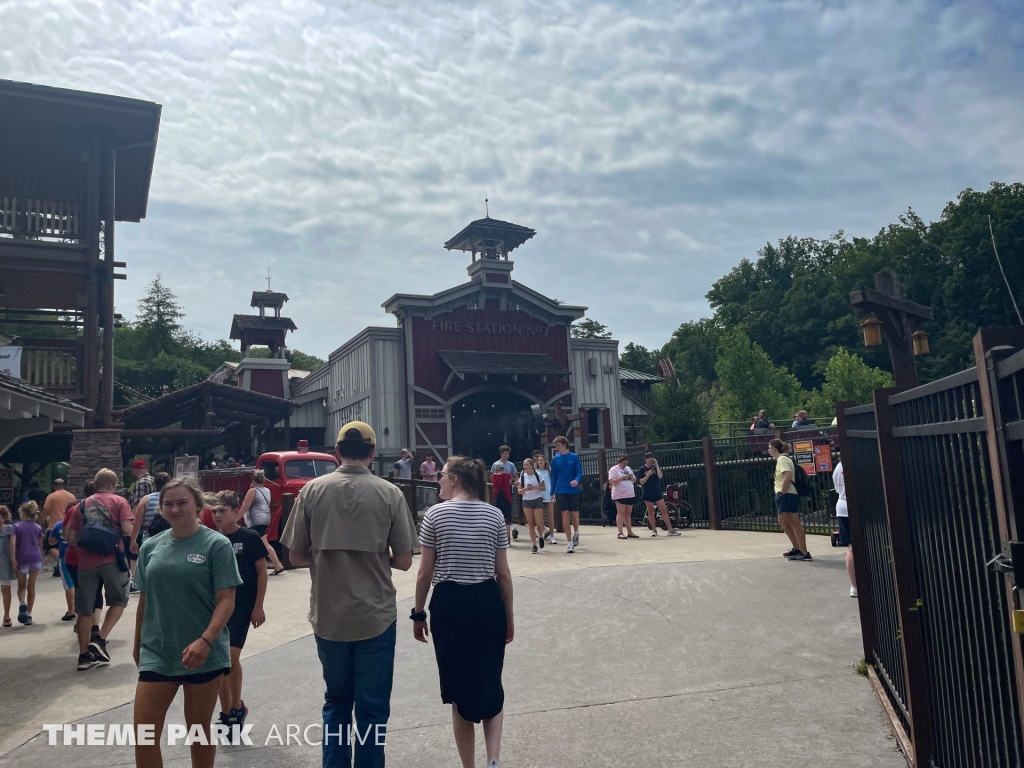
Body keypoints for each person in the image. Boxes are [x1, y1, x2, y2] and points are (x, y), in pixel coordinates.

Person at [281, 421, 417, 768]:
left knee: (337, 702)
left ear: (337, 452)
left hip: (329, 615)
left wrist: (329, 551)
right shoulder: (390, 493)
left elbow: (294, 556)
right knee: (372, 709)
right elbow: (403, 561)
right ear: (372, 453)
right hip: (376, 615)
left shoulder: (311, 491)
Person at [132, 478, 241, 768]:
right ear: (161, 509)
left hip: (203, 654)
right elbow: (145, 600)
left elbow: (227, 600)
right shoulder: (150, 547)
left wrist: (205, 640)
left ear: (197, 505)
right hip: (158, 651)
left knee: (198, 730)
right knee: (144, 734)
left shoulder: (216, 544)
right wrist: (137, 644)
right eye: (169, 504)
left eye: (182, 502)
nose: (175, 509)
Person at [413, 456, 513, 768]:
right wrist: (509, 616)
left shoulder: (435, 515)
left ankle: (469, 766)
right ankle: (493, 760)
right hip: (487, 601)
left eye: (441, 475)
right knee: (489, 682)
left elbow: (424, 574)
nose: (438, 480)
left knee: (459, 689)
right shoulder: (494, 515)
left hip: (450, 604)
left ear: (455, 478)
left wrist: (418, 614)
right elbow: (504, 575)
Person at [65, 469, 135, 669]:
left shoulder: (80, 505)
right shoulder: (120, 502)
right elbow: (127, 530)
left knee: (85, 610)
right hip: (113, 558)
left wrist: (90, 541)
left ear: (95, 484)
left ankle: (83, 656)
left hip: (85, 563)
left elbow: (70, 537)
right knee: (120, 599)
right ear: (114, 485)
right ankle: (101, 640)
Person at [210, 490, 267, 727]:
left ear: (236, 512)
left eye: (222, 510)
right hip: (218, 607)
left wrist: (259, 606)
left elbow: (262, 572)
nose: (217, 515)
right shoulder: (212, 540)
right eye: (213, 511)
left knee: (231, 657)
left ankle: (237, 705)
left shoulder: (249, 537)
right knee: (221, 662)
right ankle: (228, 711)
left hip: (242, 606)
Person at [64, 482, 105, 647]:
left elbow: (66, 535)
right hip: (98, 557)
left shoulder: (73, 509)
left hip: (74, 557)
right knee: (96, 592)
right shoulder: (103, 509)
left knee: (81, 591)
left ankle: (82, 624)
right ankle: (95, 625)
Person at [769, 439, 811, 562]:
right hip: (785, 494)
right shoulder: (782, 459)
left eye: (769, 447)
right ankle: (797, 548)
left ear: (774, 448)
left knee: (794, 522)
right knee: (783, 522)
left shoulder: (782, 459)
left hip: (787, 494)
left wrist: (781, 493)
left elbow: (787, 477)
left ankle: (804, 552)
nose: (768, 449)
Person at [238, 470, 286, 575]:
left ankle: (275, 565)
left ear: (253, 480)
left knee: (258, 543)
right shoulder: (267, 490)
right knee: (261, 542)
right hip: (265, 518)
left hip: (255, 520)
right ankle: (277, 565)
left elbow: (245, 507)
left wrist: (235, 518)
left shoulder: (252, 491)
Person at [10, 501, 44, 625]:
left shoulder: (16, 526)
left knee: (21, 586)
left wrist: (13, 559)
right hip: (35, 558)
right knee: (32, 586)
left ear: (23, 512)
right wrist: (41, 558)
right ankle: (29, 613)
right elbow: (40, 544)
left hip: (22, 558)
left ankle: (22, 602)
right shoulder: (37, 527)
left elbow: (13, 543)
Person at [129, 472, 172, 569]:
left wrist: (133, 540)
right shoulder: (173, 499)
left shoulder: (146, 499)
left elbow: (137, 522)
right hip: (170, 538)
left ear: (154, 484)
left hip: (150, 539)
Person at [549, 436, 583, 553]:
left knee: (574, 515)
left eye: (558, 445)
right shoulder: (555, 459)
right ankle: (569, 543)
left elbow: (579, 472)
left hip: (573, 490)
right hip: (560, 490)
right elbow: (553, 476)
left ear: (564, 445)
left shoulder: (574, 457)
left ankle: (576, 532)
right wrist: (551, 492)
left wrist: (576, 480)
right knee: (565, 515)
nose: (556, 448)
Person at [636, 453, 680, 537]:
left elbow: (660, 476)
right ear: (645, 459)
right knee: (650, 510)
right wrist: (648, 474)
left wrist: (657, 465)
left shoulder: (655, 468)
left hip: (657, 491)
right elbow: (641, 482)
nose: (650, 461)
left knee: (663, 509)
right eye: (648, 459)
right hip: (647, 491)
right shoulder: (642, 469)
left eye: (652, 459)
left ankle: (670, 529)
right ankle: (654, 530)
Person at [127, 459, 156, 583]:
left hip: (144, 521)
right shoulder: (153, 480)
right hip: (156, 520)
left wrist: (133, 522)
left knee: (134, 549)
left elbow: (138, 503)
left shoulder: (140, 482)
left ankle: (135, 578)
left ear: (134, 470)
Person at [43, 478, 76, 574]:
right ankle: (62, 564)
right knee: (66, 546)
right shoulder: (72, 496)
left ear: (54, 486)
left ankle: (61, 562)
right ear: (64, 485)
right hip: (68, 525)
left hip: (54, 526)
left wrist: (40, 522)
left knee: (50, 547)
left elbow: (45, 511)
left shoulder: (51, 497)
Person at [48, 517, 77, 621]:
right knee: (82, 582)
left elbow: (51, 541)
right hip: (81, 555)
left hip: (65, 555)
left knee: (69, 583)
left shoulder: (59, 525)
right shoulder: (82, 521)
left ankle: (71, 610)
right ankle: (85, 608)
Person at [833, 461, 856, 596]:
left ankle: (854, 586)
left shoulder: (840, 466)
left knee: (852, 547)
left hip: (843, 507)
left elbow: (837, 488)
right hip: (863, 506)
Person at [517, 458, 546, 554]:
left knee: (538, 523)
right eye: (524, 465)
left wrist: (535, 487)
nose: (524, 466)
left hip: (537, 499)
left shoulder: (538, 475)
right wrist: (526, 489)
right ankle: (534, 544)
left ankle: (541, 536)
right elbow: (519, 491)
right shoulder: (522, 477)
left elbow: (543, 488)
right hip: (527, 501)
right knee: (531, 524)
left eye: (526, 464)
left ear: (531, 465)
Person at [608, 455, 638, 540]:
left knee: (628, 513)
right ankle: (620, 532)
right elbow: (611, 481)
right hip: (620, 494)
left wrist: (631, 477)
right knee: (621, 512)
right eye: (623, 463)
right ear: (619, 462)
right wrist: (622, 477)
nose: (625, 464)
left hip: (629, 493)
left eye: (626, 463)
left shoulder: (628, 468)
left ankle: (630, 531)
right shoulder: (613, 469)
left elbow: (634, 480)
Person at [533, 452, 557, 545]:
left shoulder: (549, 471)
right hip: (539, 495)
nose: (540, 461)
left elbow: (552, 482)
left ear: (545, 461)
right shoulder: (535, 472)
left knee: (550, 515)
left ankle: (552, 536)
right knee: (540, 516)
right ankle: (541, 532)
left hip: (549, 494)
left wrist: (553, 493)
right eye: (538, 460)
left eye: (542, 460)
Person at [490, 462, 514, 547]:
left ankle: (498, 539)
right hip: (507, 498)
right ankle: (507, 540)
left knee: (498, 519)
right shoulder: (507, 476)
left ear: (496, 469)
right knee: (507, 519)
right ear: (503, 469)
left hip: (497, 498)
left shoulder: (493, 477)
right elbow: (511, 479)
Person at [0, 506, 15, 627]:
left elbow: (14, 546)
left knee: (5, 590)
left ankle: (6, 615)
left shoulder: (9, 529)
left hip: (4, 563)